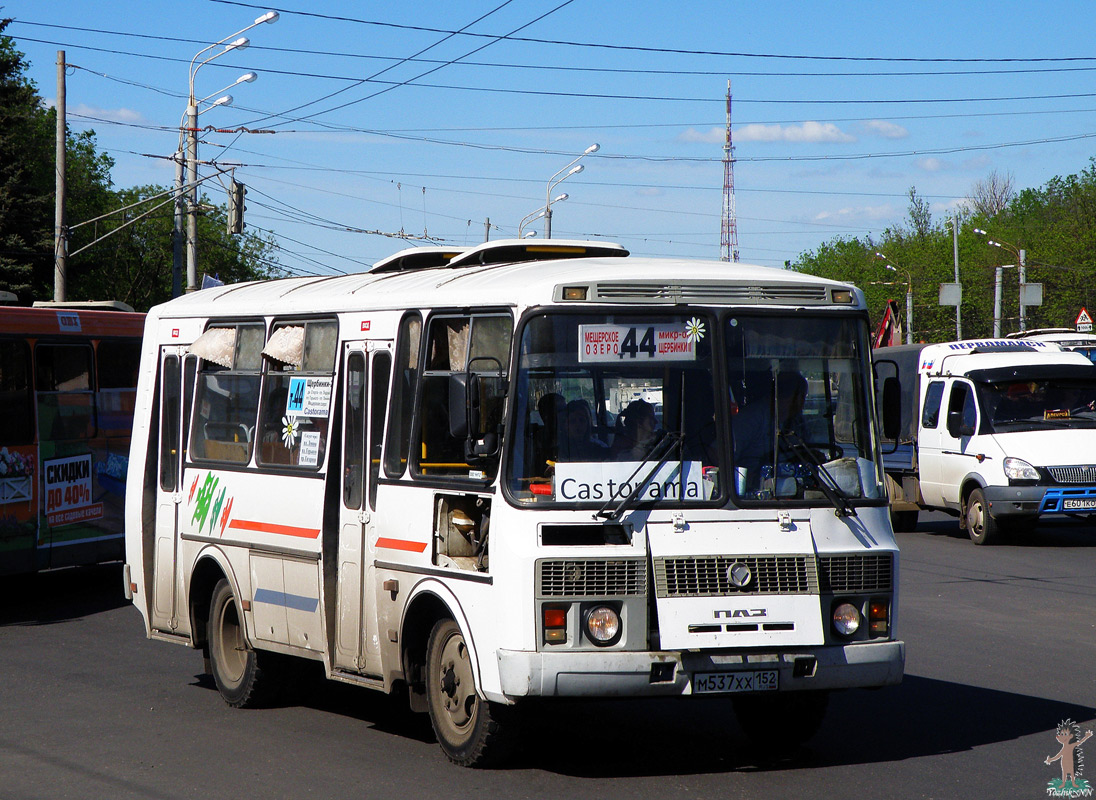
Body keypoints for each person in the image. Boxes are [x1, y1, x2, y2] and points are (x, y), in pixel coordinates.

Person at [732, 371, 808, 491]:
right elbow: (717, 454)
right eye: (798, 396)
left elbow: (803, 450)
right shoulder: (751, 418)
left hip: (792, 484)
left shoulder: (798, 422)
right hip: (753, 490)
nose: (801, 403)